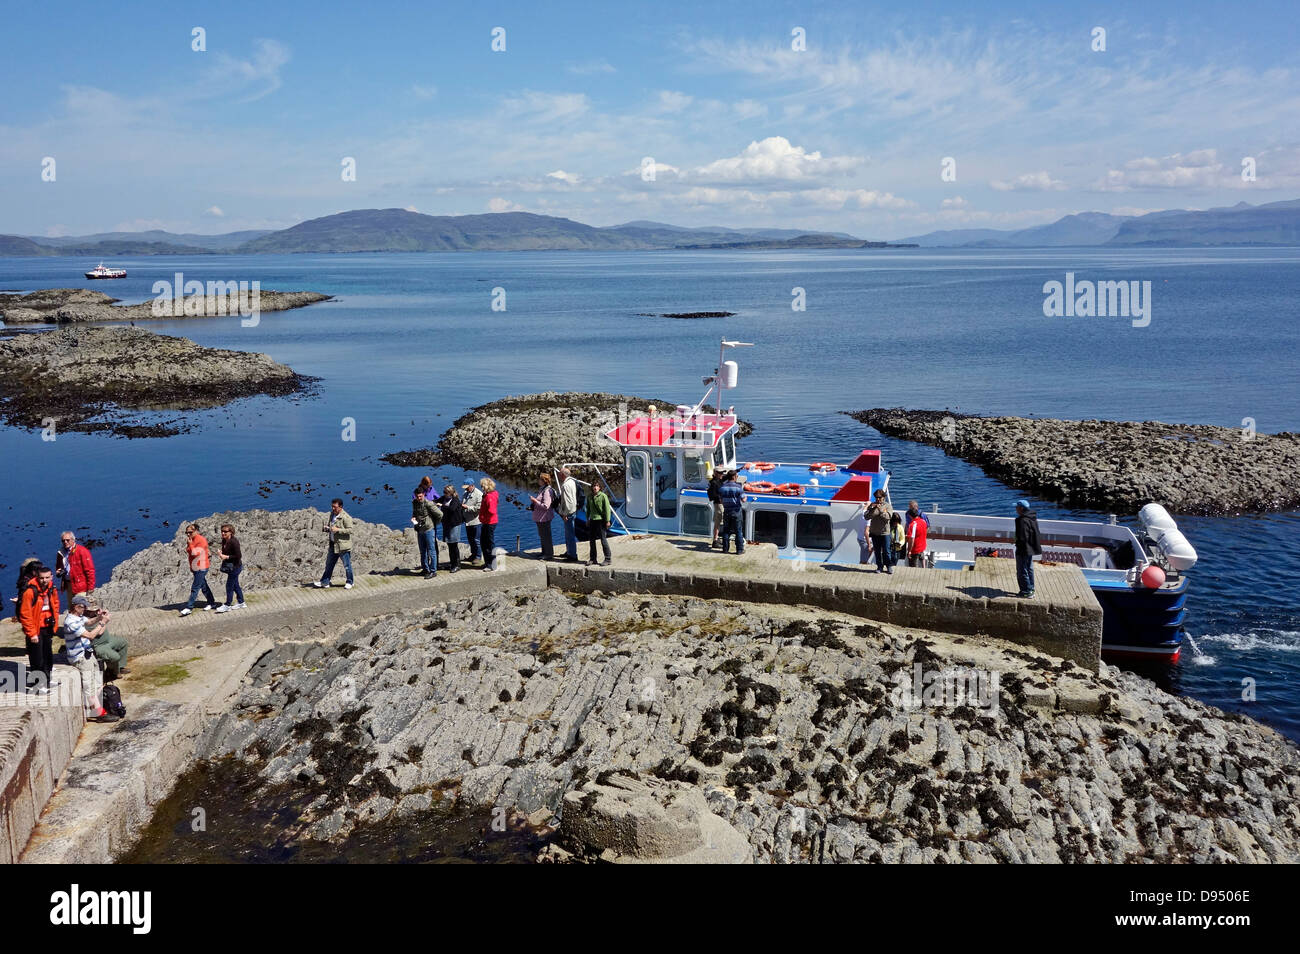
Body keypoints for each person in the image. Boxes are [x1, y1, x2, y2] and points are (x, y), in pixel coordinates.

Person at [62, 596, 115, 721]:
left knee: (97, 679)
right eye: (83, 607)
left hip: (87, 653)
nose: (85, 609)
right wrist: (103, 623)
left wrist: (100, 617)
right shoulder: (71, 622)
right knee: (89, 685)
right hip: (79, 657)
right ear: (75, 607)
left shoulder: (79, 617)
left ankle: (100, 705)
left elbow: (89, 622)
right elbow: (91, 635)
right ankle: (98, 712)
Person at [17, 564, 59, 693]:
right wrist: (32, 633)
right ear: (38, 577)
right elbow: (25, 614)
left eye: (47, 577)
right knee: (37, 658)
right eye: (42, 578)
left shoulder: (51, 588)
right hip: (36, 629)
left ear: (51, 577)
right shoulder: (30, 591)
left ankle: (47, 679)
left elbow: (55, 605)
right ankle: (38, 685)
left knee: (47, 656)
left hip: (47, 627)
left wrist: (55, 625)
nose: (45, 580)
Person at [315, 499, 355, 589]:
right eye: (332, 506)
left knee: (347, 565)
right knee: (329, 564)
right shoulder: (332, 514)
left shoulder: (346, 517)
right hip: (333, 544)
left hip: (343, 546)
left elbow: (350, 530)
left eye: (335, 507)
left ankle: (350, 582)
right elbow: (332, 527)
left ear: (340, 507)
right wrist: (328, 528)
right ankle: (325, 582)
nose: (333, 508)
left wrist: (338, 530)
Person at [180, 524, 218, 616]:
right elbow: (189, 552)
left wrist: (190, 544)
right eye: (187, 533)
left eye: (190, 532)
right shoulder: (192, 540)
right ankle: (211, 603)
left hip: (201, 567)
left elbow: (195, 553)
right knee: (204, 586)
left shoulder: (201, 540)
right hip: (195, 566)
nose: (188, 534)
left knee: (195, 588)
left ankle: (189, 607)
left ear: (196, 530)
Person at [55, 531, 95, 605]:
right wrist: (58, 572)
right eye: (63, 540)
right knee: (71, 609)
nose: (65, 542)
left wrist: (90, 587)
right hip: (69, 585)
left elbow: (90, 570)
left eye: (67, 540)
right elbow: (58, 566)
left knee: (80, 608)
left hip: (80, 586)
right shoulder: (61, 552)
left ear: (73, 540)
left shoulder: (82, 551)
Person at [411, 489, 442, 578]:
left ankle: (433, 571)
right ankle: (425, 569)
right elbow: (414, 513)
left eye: (420, 496)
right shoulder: (415, 503)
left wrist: (433, 523)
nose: (419, 498)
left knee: (431, 551)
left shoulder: (429, 503)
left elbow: (440, 514)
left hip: (429, 529)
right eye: (417, 497)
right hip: (420, 529)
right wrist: (414, 519)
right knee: (422, 551)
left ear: (424, 494)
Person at [1014, 499, 1042, 598]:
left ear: (1021, 508)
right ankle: (1031, 588)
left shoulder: (1022, 520)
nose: (1015, 509)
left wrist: (1019, 546)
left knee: (1022, 570)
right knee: (1029, 568)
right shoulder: (1032, 517)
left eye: (1016, 507)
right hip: (1031, 547)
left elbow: (1022, 537)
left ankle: (1026, 591)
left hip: (1024, 549)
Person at [215, 523, 245, 612]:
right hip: (231, 567)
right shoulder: (224, 540)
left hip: (235, 567)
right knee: (235, 585)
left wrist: (226, 557)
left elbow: (238, 556)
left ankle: (227, 605)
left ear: (231, 532)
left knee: (229, 586)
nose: (223, 533)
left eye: (225, 531)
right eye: (222, 531)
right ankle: (241, 602)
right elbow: (227, 553)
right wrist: (221, 554)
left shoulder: (234, 542)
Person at [529, 473, 557, 560]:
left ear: (544, 481)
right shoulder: (542, 489)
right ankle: (544, 552)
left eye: (540, 479)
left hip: (545, 518)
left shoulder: (547, 491)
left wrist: (535, 501)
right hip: (540, 518)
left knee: (546, 536)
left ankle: (548, 554)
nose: (538, 481)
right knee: (542, 535)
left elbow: (546, 506)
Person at [718, 470, 746, 555]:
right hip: (736, 511)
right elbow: (743, 500)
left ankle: (725, 549)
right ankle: (739, 550)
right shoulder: (738, 487)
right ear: (734, 477)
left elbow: (721, 500)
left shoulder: (722, 488)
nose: (737, 477)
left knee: (726, 531)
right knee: (738, 531)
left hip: (727, 511)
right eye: (737, 476)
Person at [586, 478, 613, 566]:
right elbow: (588, 509)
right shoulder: (589, 496)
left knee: (603, 540)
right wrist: (587, 519)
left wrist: (608, 520)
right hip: (592, 520)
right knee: (591, 540)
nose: (595, 488)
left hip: (601, 520)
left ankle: (608, 559)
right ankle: (593, 559)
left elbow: (607, 509)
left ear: (599, 488)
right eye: (594, 486)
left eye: (597, 486)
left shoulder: (603, 496)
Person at [866, 490, 894, 574]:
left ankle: (889, 566)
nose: (878, 499)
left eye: (880, 497)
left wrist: (880, 510)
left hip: (885, 532)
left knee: (886, 551)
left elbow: (888, 517)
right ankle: (879, 566)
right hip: (875, 533)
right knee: (877, 551)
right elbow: (866, 517)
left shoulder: (888, 506)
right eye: (876, 498)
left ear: (883, 497)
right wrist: (871, 508)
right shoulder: (872, 505)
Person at [438, 484, 464, 572]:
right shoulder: (443, 498)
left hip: (454, 524)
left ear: (451, 493)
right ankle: (452, 563)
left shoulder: (455, 500)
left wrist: (442, 505)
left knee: (454, 545)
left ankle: (457, 565)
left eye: (446, 492)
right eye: (444, 492)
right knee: (449, 544)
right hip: (446, 524)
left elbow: (452, 509)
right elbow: (435, 501)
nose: (444, 494)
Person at [556, 467, 580, 562]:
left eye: (559, 474)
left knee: (569, 535)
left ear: (563, 475)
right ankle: (569, 551)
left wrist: (564, 514)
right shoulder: (572, 482)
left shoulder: (565, 485)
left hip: (568, 513)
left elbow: (567, 501)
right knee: (569, 534)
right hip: (573, 511)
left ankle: (572, 556)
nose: (558, 475)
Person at [479, 478, 500, 571]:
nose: (481, 487)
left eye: (482, 486)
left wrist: (483, 515)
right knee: (484, 542)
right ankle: (488, 562)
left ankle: (491, 564)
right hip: (488, 521)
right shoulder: (493, 494)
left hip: (489, 522)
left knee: (488, 543)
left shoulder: (489, 497)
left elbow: (492, 510)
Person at [461, 481, 483, 565]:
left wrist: (467, 507)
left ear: (472, 485)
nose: (466, 489)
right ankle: (473, 555)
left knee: (476, 540)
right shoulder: (465, 493)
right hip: (468, 521)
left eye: (467, 487)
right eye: (465, 487)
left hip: (476, 521)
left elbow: (479, 508)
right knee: (470, 540)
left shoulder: (479, 494)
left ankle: (478, 556)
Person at [707, 470, 725, 549]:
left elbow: (727, 476)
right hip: (718, 504)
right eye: (720, 473)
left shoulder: (719, 480)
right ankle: (715, 541)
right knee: (718, 522)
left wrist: (739, 470)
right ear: (716, 474)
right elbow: (714, 495)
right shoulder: (714, 483)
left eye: (722, 473)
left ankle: (716, 539)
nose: (722, 474)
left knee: (718, 522)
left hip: (719, 504)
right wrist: (721, 499)